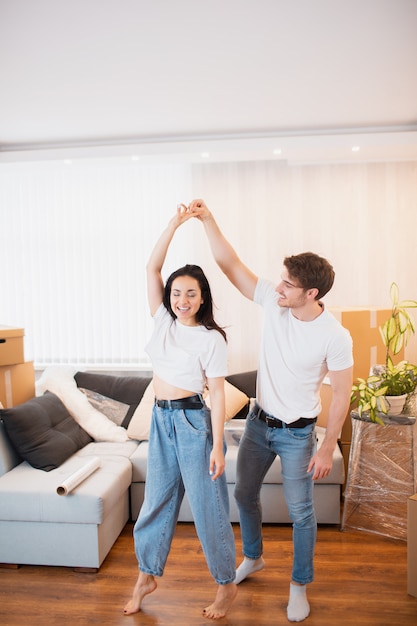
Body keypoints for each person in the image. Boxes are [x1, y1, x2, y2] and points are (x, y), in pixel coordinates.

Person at [188, 198, 353, 623]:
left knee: (302, 513)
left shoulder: (335, 336)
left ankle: (299, 586)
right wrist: (208, 219)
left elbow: (341, 394)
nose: (277, 288)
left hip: (299, 435)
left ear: (310, 293)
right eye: (279, 281)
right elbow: (231, 264)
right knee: (243, 493)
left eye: (287, 285)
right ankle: (255, 558)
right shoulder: (273, 303)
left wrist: (326, 446)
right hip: (259, 424)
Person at [123, 205, 237, 620]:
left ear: (203, 296)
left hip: (192, 422)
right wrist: (174, 223)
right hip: (160, 419)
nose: (181, 299)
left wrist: (219, 446)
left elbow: (219, 395)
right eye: (176, 292)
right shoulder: (162, 322)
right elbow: (152, 267)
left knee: (208, 509)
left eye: (190, 293)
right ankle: (145, 577)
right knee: (155, 503)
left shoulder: (211, 340)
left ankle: (226, 586)